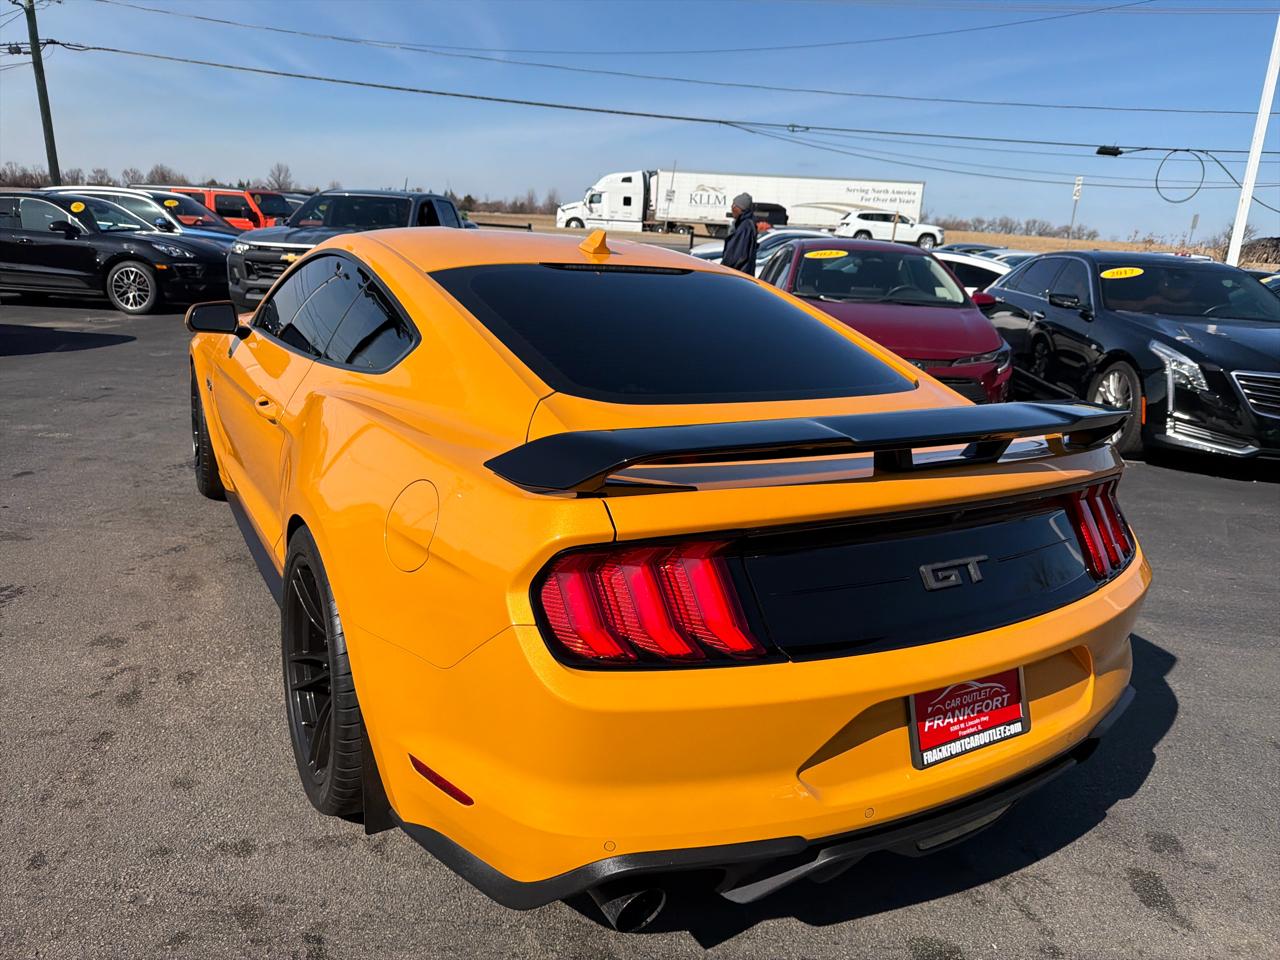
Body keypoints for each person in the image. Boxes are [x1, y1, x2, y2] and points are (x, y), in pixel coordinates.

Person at [720, 192, 758, 273]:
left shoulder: (745, 227)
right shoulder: (744, 224)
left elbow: (737, 255)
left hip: (737, 274)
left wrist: (724, 268)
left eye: (734, 205)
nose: (732, 208)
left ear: (741, 208)